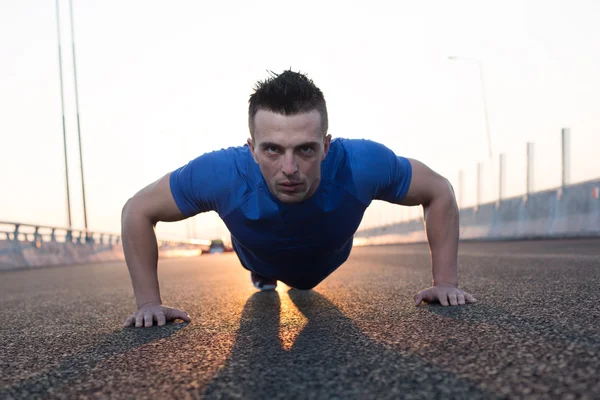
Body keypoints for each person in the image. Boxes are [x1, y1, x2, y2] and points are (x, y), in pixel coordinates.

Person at [122, 70, 476, 329]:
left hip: (326, 256)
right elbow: (137, 210)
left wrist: (445, 281)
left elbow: (438, 190)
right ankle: (263, 274)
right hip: (256, 251)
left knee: (304, 284)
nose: (289, 168)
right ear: (252, 149)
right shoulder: (220, 174)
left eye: (305, 149)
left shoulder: (363, 164)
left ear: (325, 146)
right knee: (261, 268)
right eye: (273, 150)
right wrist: (149, 303)